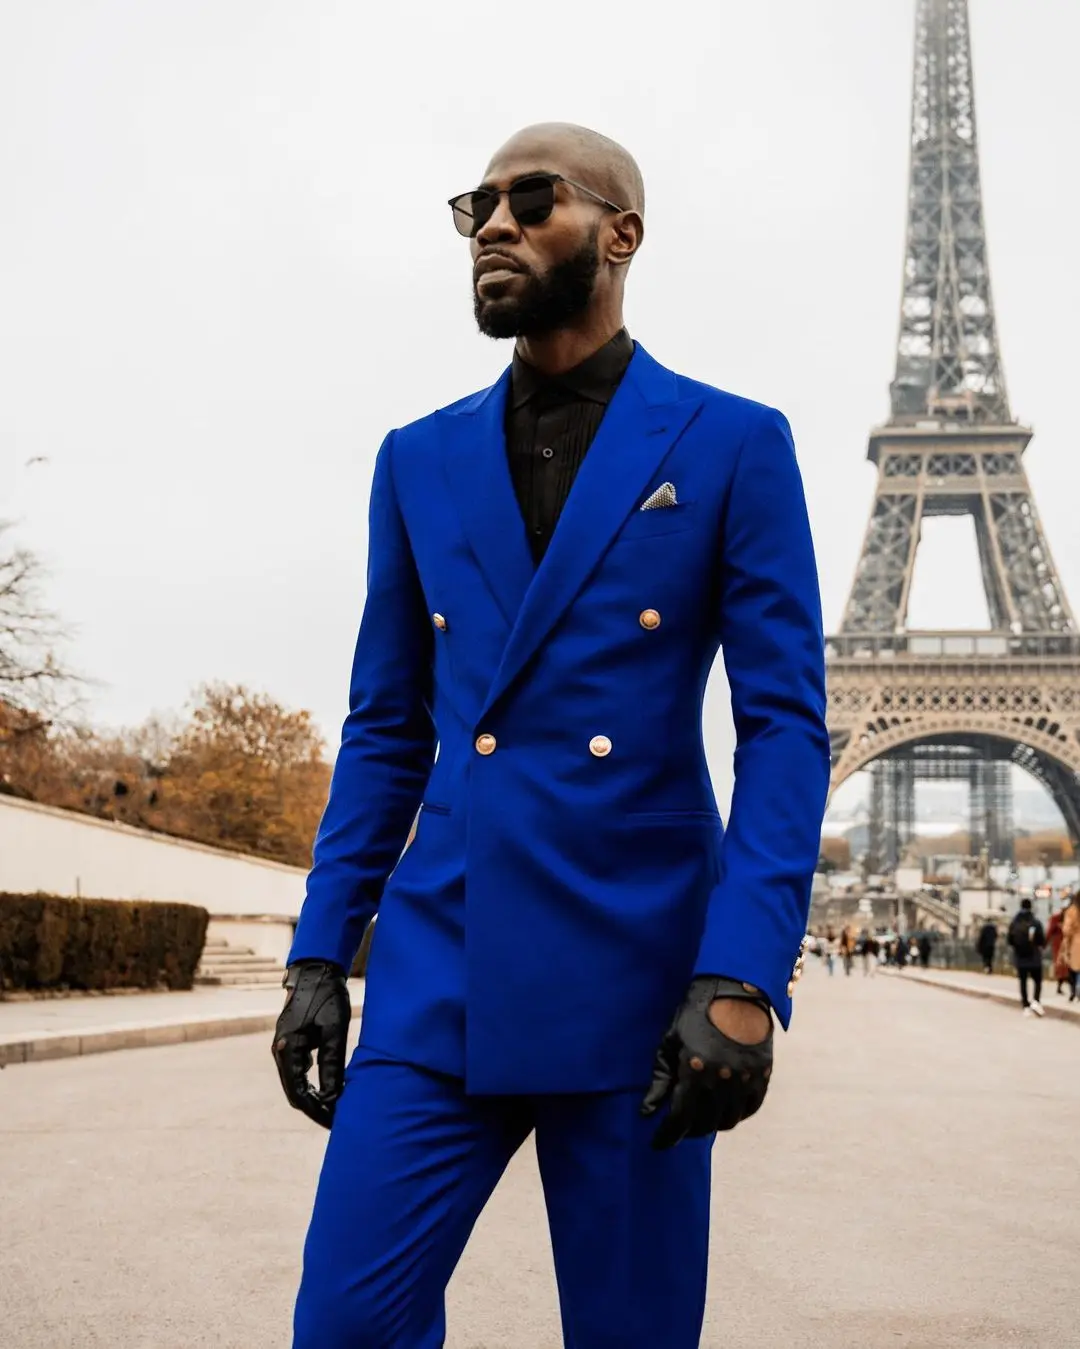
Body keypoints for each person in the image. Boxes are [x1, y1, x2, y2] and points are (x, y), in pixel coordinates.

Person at [270, 122, 830, 1349]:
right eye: (479, 207)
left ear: (622, 233)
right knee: (346, 1325)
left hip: (637, 973)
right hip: (441, 962)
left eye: (533, 199)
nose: (496, 226)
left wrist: (742, 973)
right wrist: (321, 949)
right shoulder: (415, 456)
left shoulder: (734, 441)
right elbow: (386, 727)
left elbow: (784, 724)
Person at [1006, 898, 1046, 1017]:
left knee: (1023, 982)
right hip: (1034, 956)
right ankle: (1036, 1001)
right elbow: (1041, 940)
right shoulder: (1035, 922)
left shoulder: (1015, 922)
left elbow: (1009, 940)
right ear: (1031, 907)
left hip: (1020, 957)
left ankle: (1025, 1005)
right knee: (1037, 980)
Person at [1046, 898, 1069, 995]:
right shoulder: (1055, 918)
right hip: (1058, 945)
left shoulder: (1071, 918)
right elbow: (1049, 931)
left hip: (1069, 945)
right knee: (1060, 966)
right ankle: (1060, 986)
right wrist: (1044, 943)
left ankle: (1070, 987)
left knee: (1069, 966)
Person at [1062, 892, 1080, 1003]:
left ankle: (1075, 990)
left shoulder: (1072, 911)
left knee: (1074, 968)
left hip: (1075, 943)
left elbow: (1067, 930)